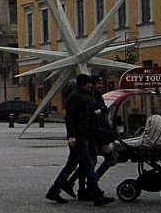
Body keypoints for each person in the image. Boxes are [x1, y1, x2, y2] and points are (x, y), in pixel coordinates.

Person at [46, 74, 113, 206]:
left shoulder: (85, 96)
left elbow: (89, 115)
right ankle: (97, 195)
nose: (91, 86)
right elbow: (70, 117)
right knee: (88, 165)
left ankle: (54, 190)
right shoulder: (75, 97)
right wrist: (71, 136)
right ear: (84, 84)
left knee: (72, 165)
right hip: (79, 137)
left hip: (85, 135)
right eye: (89, 84)